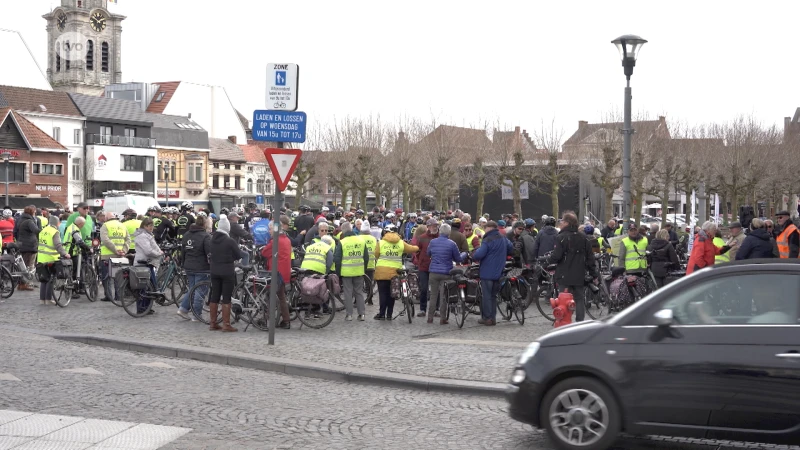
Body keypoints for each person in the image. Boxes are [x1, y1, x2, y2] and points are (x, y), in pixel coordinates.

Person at [546, 212, 597, 322]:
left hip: (564, 275)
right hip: (579, 274)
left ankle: (564, 321)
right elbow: (590, 257)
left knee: (563, 299)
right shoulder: (583, 238)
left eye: (562, 221)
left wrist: (547, 261)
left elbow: (557, 256)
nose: (560, 223)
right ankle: (579, 322)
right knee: (579, 299)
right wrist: (594, 273)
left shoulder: (561, 237)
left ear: (567, 223)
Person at [209, 215, 246, 332]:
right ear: (227, 229)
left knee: (214, 296)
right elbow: (239, 255)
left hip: (214, 271)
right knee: (226, 298)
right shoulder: (230, 241)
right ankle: (226, 324)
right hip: (227, 271)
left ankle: (213, 323)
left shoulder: (211, 239)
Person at [373, 225, 419, 320]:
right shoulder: (401, 243)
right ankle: (389, 315)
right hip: (395, 272)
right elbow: (412, 249)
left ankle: (381, 314)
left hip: (381, 271)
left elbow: (376, 254)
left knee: (382, 294)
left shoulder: (381, 243)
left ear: (385, 233)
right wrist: (419, 246)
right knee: (392, 293)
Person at [472, 221, 513, 325]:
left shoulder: (487, 239)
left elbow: (480, 254)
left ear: (489, 228)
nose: (485, 229)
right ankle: (493, 318)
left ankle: (487, 318)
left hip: (487, 272)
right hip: (499, 271)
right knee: (494, 296)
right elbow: (511, 248)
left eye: (485, 228)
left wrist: (474, 254)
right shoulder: (503, 237)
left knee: (486, 296)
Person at [426, 223, 466, 325]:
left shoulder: (433, 242)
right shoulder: (452, 244)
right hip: (446, 272)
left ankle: (430, 317)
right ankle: (442, 318)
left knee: (433, 295)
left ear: (439, 232)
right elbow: (458, 258)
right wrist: (464, 254)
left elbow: (428, 253)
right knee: (444, 296)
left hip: (433, 271)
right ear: (449, 233)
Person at [177, 215, 211, 321]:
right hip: (201, 267)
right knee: (200, 291)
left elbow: (183, 251)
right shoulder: (205, 236)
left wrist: (183, 263)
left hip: (189, 266)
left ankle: (183, 309)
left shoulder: (187, 234)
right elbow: (209, 253)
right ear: (205, 224)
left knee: (192, 289)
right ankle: (196, 315)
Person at [334, 222, 369, 321]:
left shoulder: (342, 242)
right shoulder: (361, 241)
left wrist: (338, 273)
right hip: (359, 271)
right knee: (359, 292)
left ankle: (349, 315)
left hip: (346, 272)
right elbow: (366, 257)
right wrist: (363, 268)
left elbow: (337, 259)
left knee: (348, 293)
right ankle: (362, 314)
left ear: (343, 231)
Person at [262, 219, 293, 329]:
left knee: (270, 296)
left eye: (270, 229)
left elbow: (265, 252)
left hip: (276, 273)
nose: (269, 231)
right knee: (281, 297)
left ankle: (266, 319)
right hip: (285, 272)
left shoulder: (275, 241)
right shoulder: (287, 239)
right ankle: (286, 320)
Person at [37, 215, 71, 305]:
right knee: (50, 279)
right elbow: (58, 245)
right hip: (51, 258)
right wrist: (65, 254)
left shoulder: (43, 231)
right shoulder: (54, 232)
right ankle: (48, 299)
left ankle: (42, 300)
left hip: (41, 258)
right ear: (57, 223)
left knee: (43, 279)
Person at [132, 218, 163, 314]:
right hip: (142, 263)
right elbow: (148, 251)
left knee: (150, 286)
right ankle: (141, 308)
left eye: (152, 226)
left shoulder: (147, 235)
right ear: (144, 226)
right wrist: (158, 254)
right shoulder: (142, 236)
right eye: (149, 226)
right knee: (143, 286)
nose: (151, 228)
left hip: (147, 262)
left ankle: (146, 307)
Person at [411, 219, 439, 318]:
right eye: (433, 225)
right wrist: (420, 261)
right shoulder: (422, 238)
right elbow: (417, 251)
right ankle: (423, 309)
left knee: (436, 289)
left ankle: (436, 309)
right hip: (424, 267)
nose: (435, 227)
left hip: (436, 267)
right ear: (428, 227)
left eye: (436, 225)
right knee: (423, 288)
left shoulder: (440, 237)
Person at [99, 212, 130, 302]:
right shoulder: (122, 225)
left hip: (107, 255)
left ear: (107, 218)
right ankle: (119, 296)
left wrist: (115, 249)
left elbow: (105, 240)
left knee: (106, 277)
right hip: (120, 256)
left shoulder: (105, 225)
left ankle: (108, 296)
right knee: (119, 276)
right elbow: (128, 239)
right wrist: (124, 250)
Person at [14, 205, 41, 291]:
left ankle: (22, 283)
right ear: (32, 212)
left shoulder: (20, 219)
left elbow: (15, 231)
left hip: (21, 244)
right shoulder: (29, 221)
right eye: (34, 212)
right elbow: (36, 230)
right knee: (28, 266)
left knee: (22, 265)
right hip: (29, 245)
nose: (35, 213)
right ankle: (24, 284)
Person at [359, 221, 378, 305]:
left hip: (360, 264)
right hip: (371, 264)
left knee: (359, 283)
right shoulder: (373, 239)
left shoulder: (358, 238)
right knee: (369, 283)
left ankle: (357, 300)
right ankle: (370, 299)